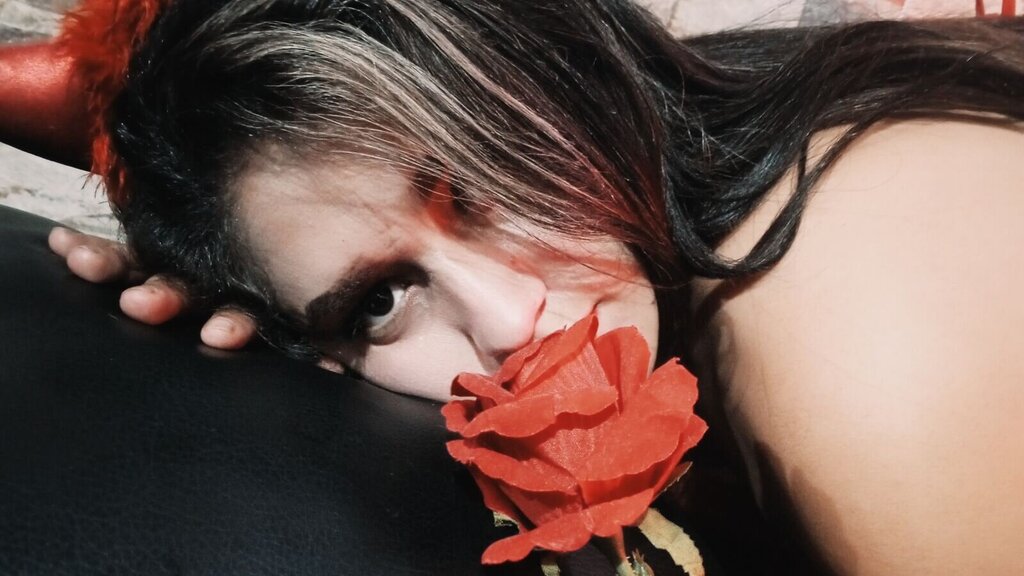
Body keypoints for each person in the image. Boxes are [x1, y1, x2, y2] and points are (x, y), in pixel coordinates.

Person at [7, 0, 1023, 573]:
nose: (505, 321)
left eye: (483, 181)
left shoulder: (852, 315)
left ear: (577, 72)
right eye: (378, 299)